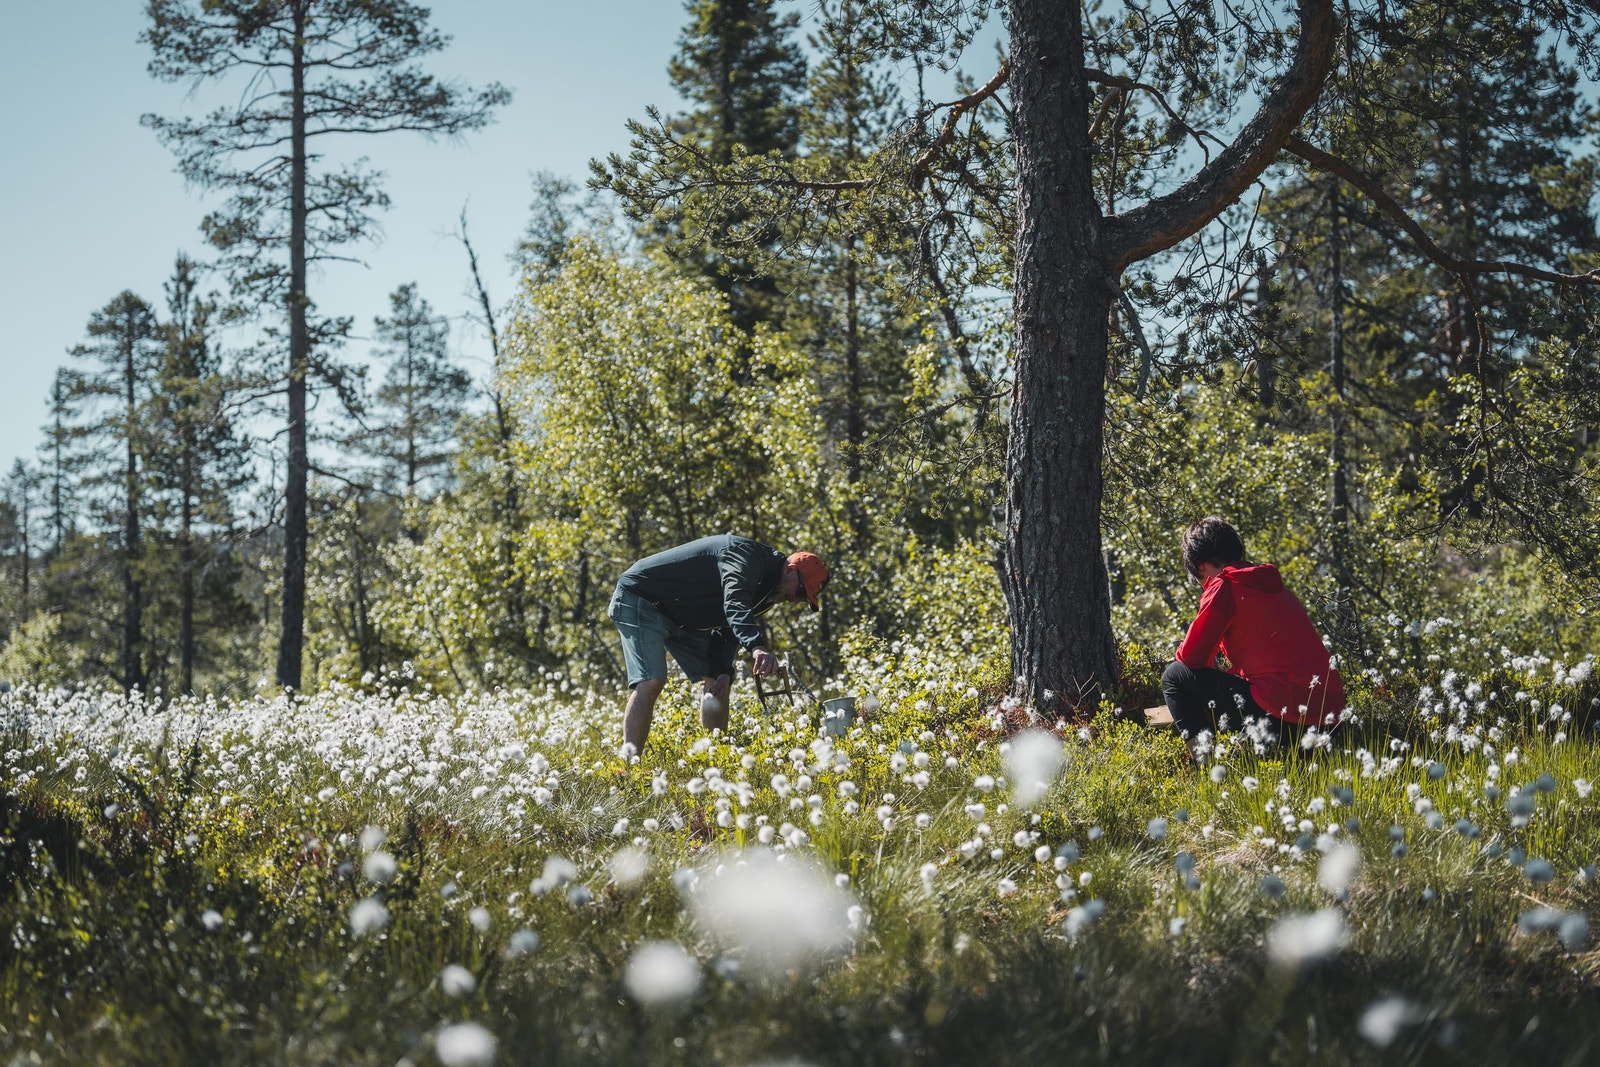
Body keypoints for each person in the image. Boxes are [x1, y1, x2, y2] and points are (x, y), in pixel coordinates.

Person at [607, 533, 829, 755]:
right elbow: (735, 604)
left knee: (719, 681)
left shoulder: (770, 591)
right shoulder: (744, 557)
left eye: (805, 599)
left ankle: (718, 756)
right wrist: (757, 646)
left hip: (680, 615)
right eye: (801, 592)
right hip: (640, 598)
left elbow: (727, 627)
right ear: (790, 570)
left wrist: (722, 669)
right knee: (651, 680)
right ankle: (630, 768)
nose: (797, 600)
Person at [1163, 517, 1344, 749]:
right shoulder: (1273, 585)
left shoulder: (1224, 585)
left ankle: (1206, 764)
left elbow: (1192, 658)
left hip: (1284, 716)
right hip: (1333, 721)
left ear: (1201, 567)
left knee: (1174, 676)